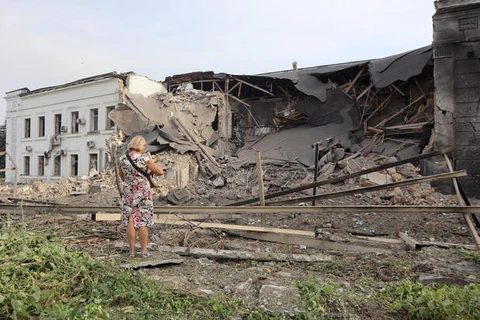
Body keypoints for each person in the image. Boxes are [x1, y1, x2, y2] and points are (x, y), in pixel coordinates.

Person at [118, 135, 164, 258]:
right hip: (143, 191)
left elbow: (122, 177)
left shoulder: (123, 159)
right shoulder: (144, 158)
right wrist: (149, 172)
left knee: (130, 220)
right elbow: (160, 171)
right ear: (141, 145)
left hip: (128, 191)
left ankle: (132, 252)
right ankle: (144, 252)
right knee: (143, 220)